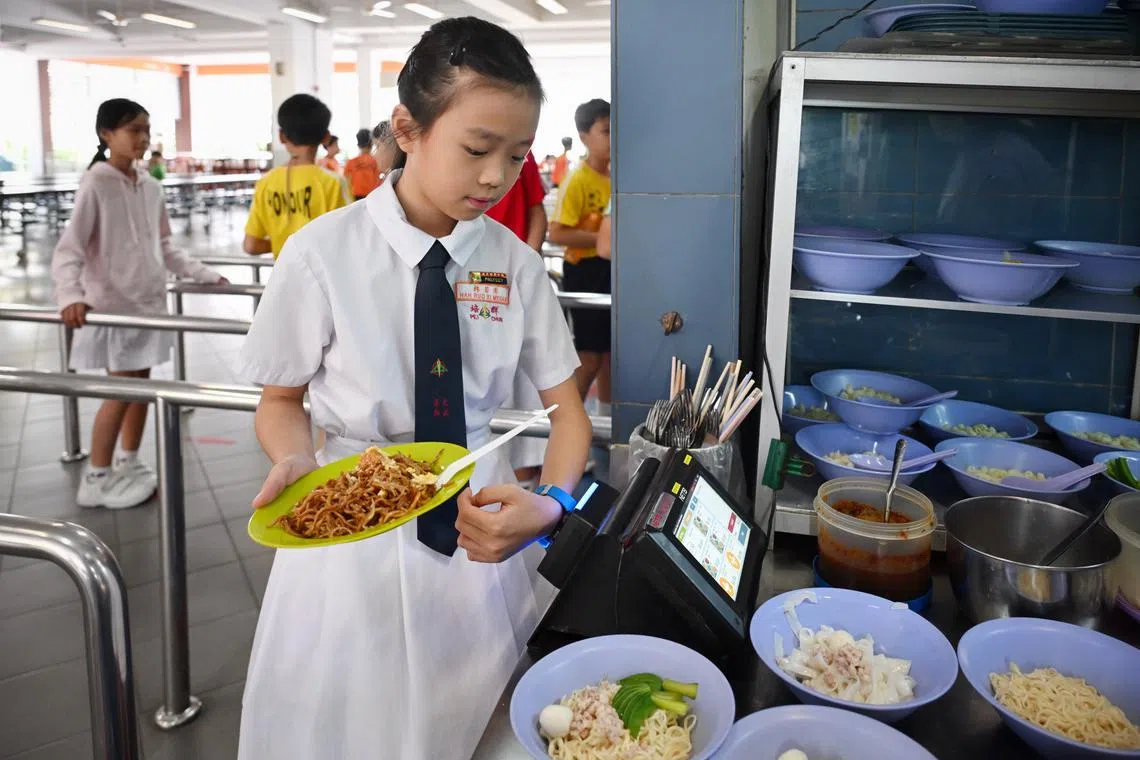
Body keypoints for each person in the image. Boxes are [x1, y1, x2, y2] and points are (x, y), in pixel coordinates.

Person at [236, 17, 591, 760]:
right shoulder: (322, 255)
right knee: (348, 727)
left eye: (517, 154)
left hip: (480, 526)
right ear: (409, 128)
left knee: (475, 718)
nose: (496, 176)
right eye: (476, 149)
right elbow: (280, 402)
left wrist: (551, 506)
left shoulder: (515, 266)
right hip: (348, 526)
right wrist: (297, 464)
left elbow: (568, 416)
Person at [51, 98, 226, 509]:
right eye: (133, 130)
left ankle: (128, 461)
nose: (143, 139)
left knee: (142, 389)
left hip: (149, 305)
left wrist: (204, 274)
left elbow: (165, 247)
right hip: (113, 305)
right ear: (106, 135)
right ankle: (95, 475)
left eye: (146, 129)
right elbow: (69, 249)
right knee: (120, 391)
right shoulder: (95, 184)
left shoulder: (150, 186)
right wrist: (70, 295)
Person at [485, 151, 549, 485]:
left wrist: (527, 262)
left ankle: (525, 483)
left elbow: (536, 210)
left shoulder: (523, 156)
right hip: (469, 289)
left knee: (523, 391)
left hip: (510, 286)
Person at [549, 99, 611, 411]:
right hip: (584, 270)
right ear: (584, 136)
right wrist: (602, 237)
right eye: (606, 132)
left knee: (612, 353)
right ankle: (569, 420)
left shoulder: (617, 178)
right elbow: (557, 233)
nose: (613, 140)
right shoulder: (577, 179)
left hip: (609, 269)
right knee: (589, 356)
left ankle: (608, 422)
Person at [243, 94, 346, 258]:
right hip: (323, 280)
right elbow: (348, 239)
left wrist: (283, 244)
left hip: (284, 280)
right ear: (326, 137)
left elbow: (251, 245)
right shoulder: (333, 182)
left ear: (282, 136)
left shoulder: (266, 182)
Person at [343, 128, 382, 201]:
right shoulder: (377, 161)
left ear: (358, 144)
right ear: (372, 143)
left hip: (355, 197)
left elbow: (346, 182)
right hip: (373, 196)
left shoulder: (351, 162)